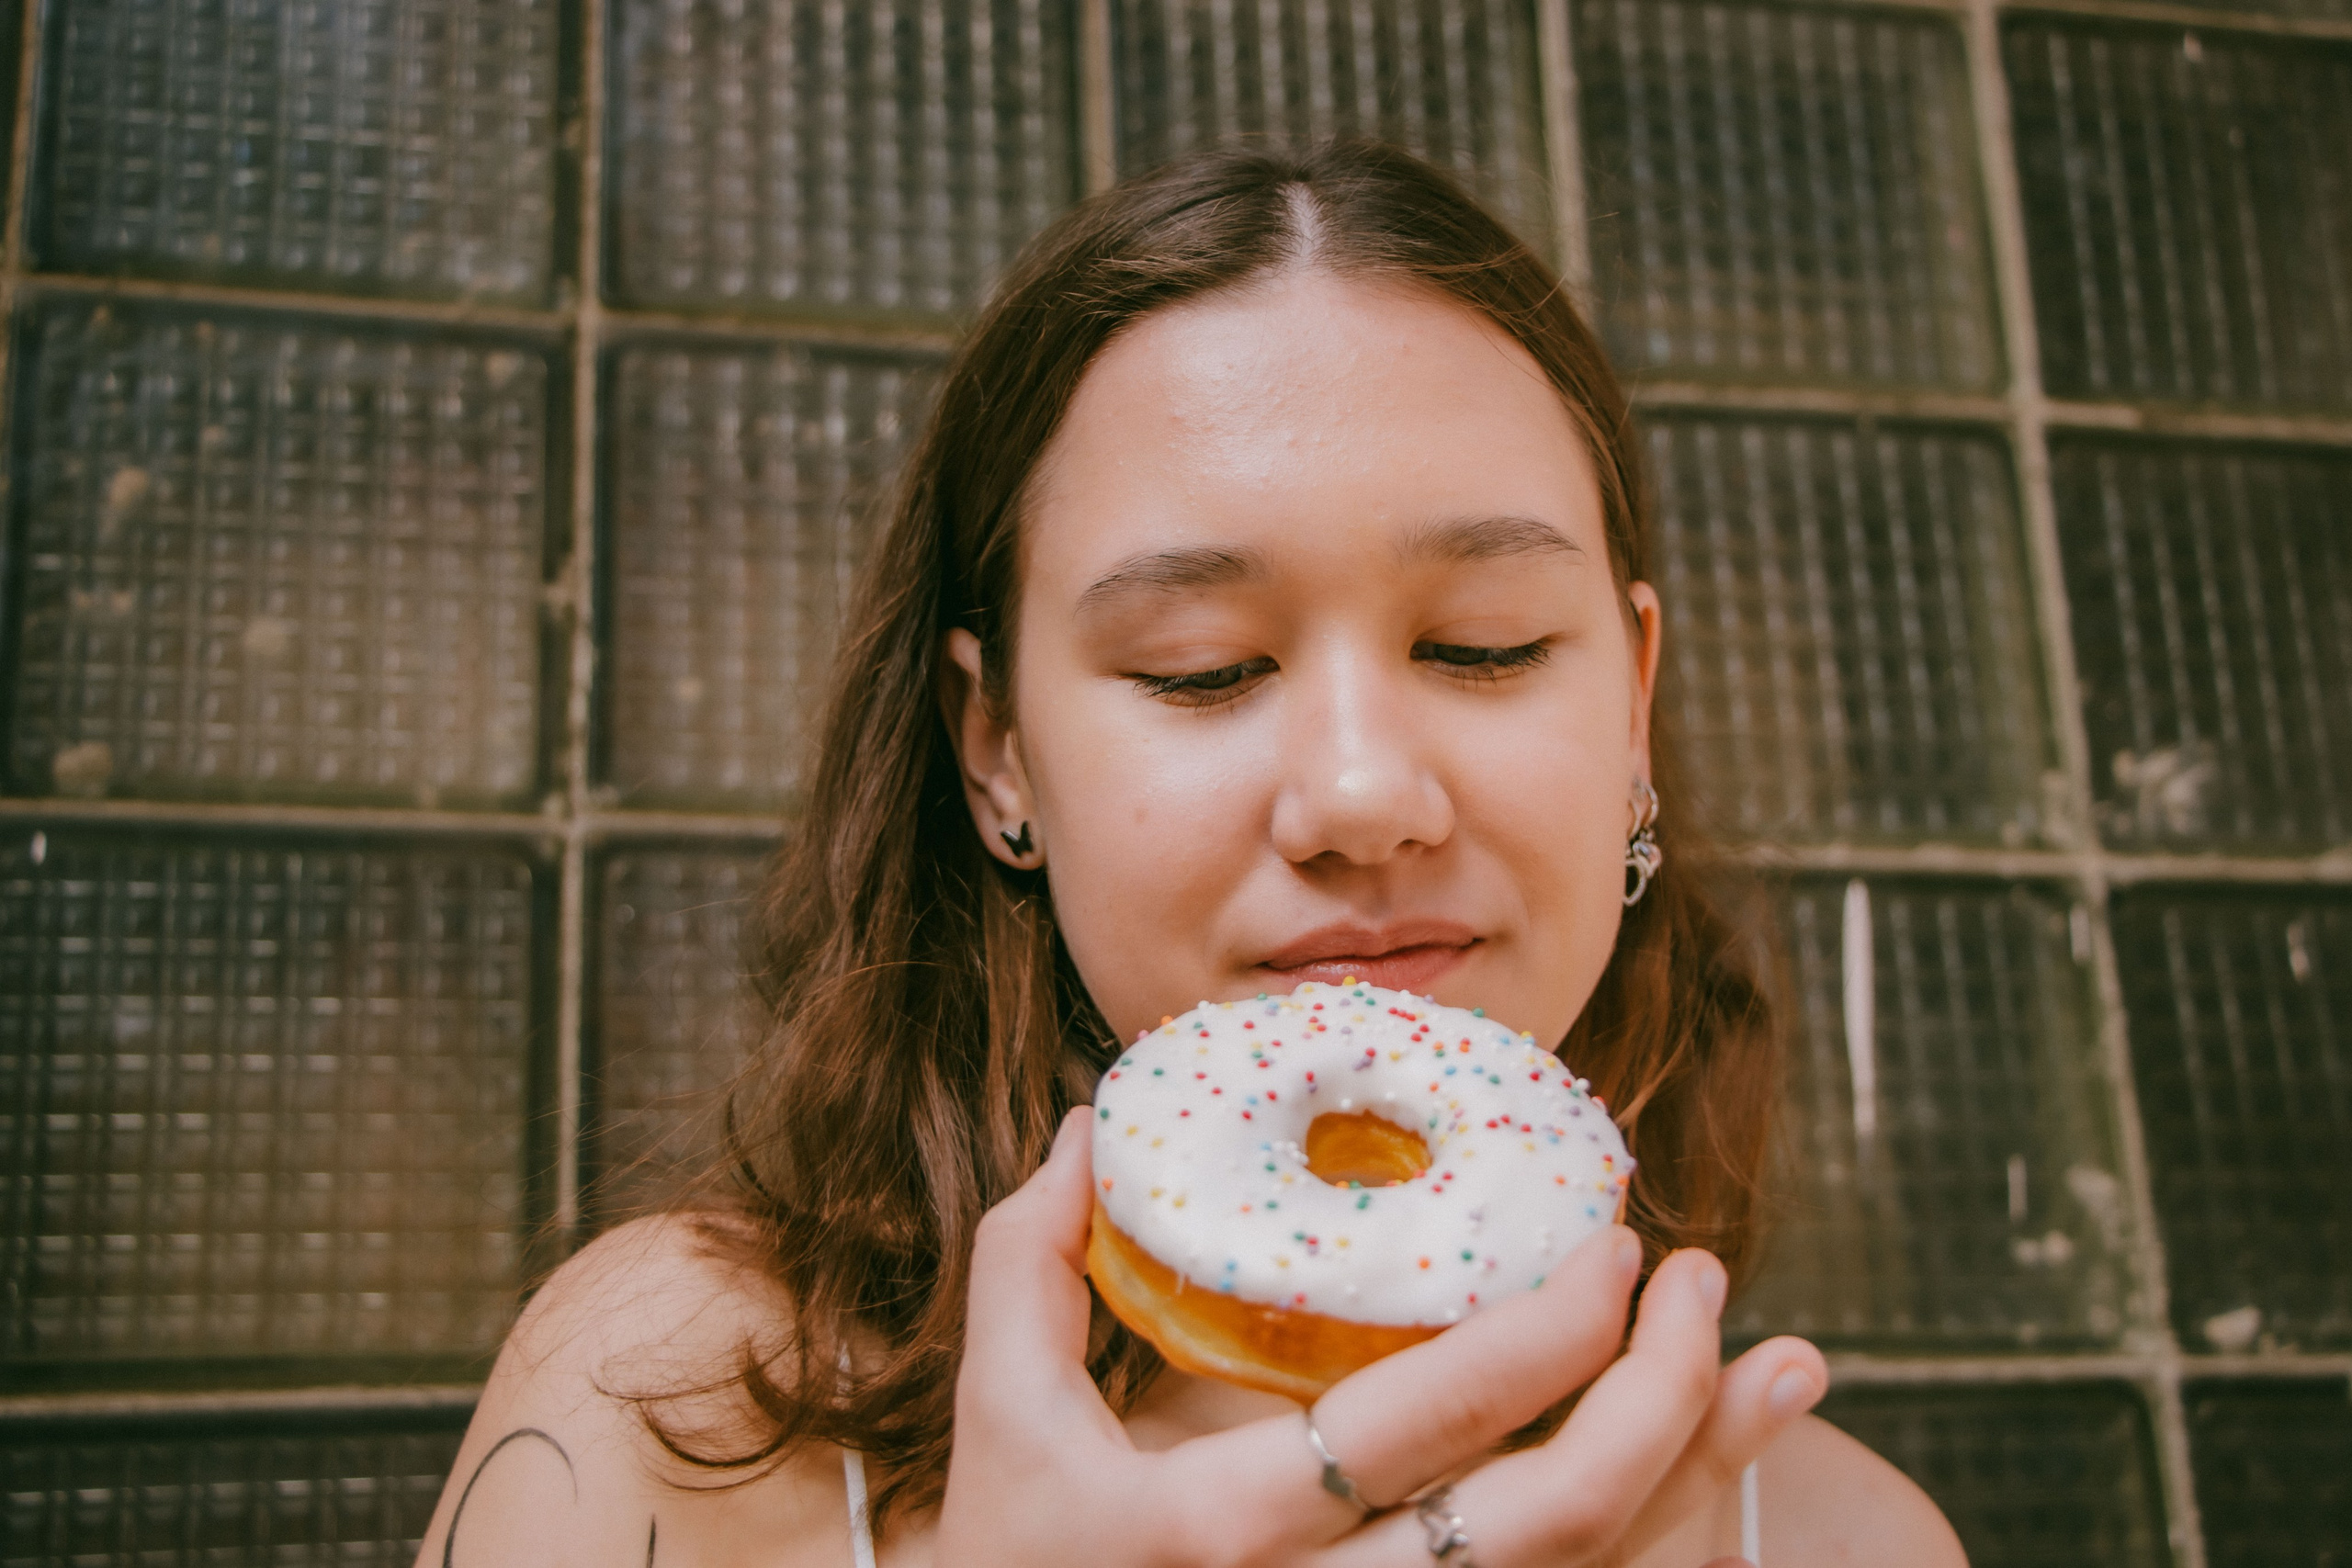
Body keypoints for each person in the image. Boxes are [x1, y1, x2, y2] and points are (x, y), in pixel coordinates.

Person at [415, 141, 1967, 1568]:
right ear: (997, 748)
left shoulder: (1848, 1542)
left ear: (1631, 704)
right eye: (1201, 669)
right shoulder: (666, 1410)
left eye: (1485, 649)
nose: (1363, 795)